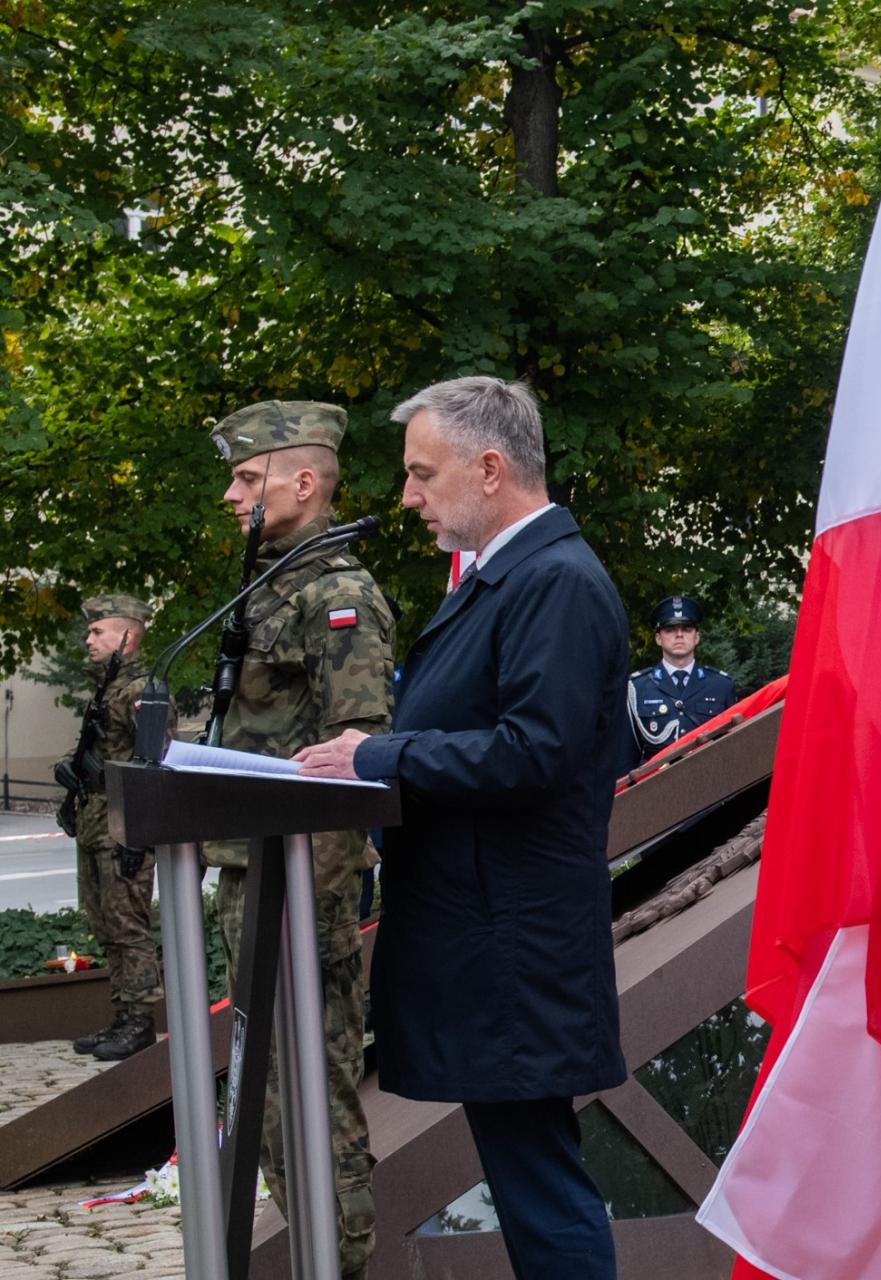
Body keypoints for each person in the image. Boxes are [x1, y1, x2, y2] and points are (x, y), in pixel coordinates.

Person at [294, 376, 628, 1279]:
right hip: (490, 936)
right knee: (532, 1178)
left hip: (510, 941)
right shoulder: (513, 576)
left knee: (541, 1189)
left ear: (488, 469)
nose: (407, 495)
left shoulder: (552, 580)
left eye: (420, 472)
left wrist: (380, 757)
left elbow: (533, 754)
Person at [208, 400, 394, 1279]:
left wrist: (314, 904)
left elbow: (355, 759)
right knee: (272, 1106)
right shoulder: (270, 586)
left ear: (304, 482)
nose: (231, 495)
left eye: (247, 478)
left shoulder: (337, 595)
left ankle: (346, 1268)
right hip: (253, 870)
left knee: (315, 1098)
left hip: (301, 882)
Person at [65, 594, 165, 1060]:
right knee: (106, 927)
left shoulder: (142, 690)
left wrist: (139, 832)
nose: (89, 640)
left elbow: (153, 763)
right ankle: (121, 1017)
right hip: (95, 823)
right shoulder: (108, 687)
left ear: (127, 636)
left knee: (128, 927)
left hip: (124, 827)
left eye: (98, 631)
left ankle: (140, 1021)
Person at [627, 594, 738, 764]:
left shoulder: (722, 686)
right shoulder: (638, 688)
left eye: (687, 629)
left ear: (697, 637)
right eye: (670, 630)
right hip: (655, 785)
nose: (679, 635)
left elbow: (732, 748)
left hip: (709, 782)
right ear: (658, 638)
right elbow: (627, 756)